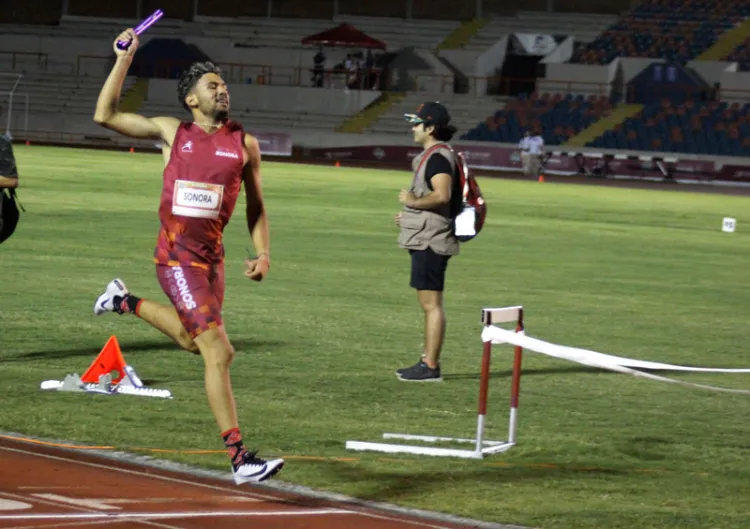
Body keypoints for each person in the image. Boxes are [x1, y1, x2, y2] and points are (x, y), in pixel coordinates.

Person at [92, 28, 284, 484]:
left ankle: (123, 301)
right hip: (176, 257)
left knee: (188, 339)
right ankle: (240, 459)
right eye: (212, 86)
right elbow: (105, 115)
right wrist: (124, 58)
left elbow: (256, 206)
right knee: (219, 351)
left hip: (212, 261)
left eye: (223, 85)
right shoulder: (170, 132)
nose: (223, 90)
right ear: (192, 100)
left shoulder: (244, 144)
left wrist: (263, 252)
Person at [394, 102, 462, 382]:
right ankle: (427, 361)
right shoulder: (433, 155)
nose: (413, 128)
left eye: (417, 123)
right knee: (429, 303)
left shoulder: (437, 157)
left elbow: (442, 195)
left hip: (431, 241)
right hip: (426, 237)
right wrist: (410, 214)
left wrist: (413, 202)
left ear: (431, 128)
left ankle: (430, 365)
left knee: (431, 304)